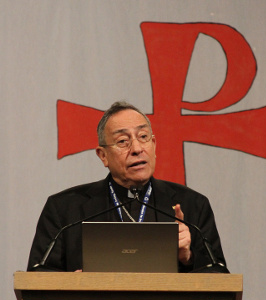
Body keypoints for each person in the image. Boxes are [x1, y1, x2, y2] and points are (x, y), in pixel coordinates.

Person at [27, 101, 227, 272]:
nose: (137, 149)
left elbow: (219, 275)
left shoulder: (193, 205)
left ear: (154, 145)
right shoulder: (64, 210)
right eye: (123, 141)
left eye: (143, 137)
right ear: (103, 155)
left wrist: (188, 257)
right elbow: (38, 277)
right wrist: (72, 286)